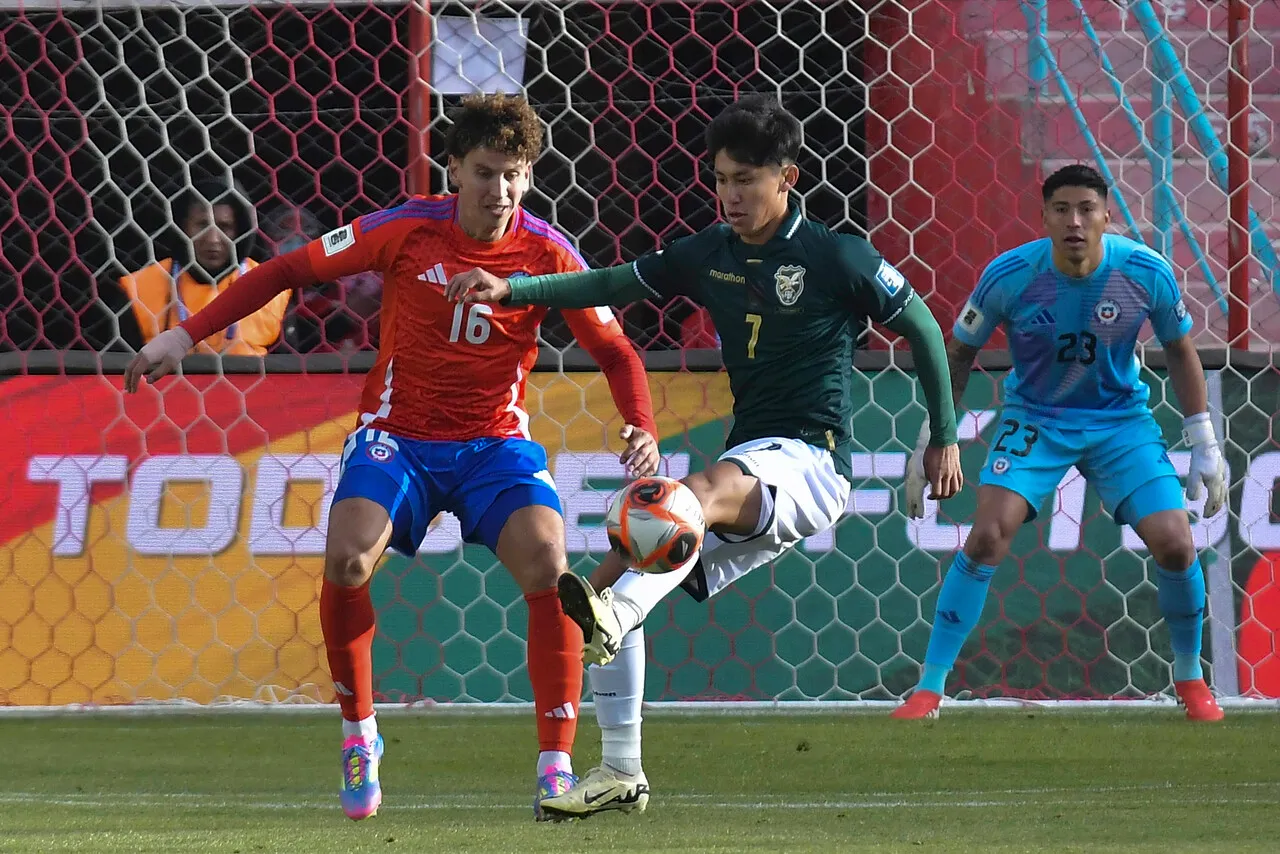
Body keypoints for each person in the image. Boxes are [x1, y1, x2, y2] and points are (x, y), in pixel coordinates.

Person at [123, 94, 662, 821]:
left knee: (549, 564)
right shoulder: (406, 228)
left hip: (494, 444)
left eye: (512, 175)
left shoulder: (547, 252)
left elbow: (616, 350)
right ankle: (359, 735)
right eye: (483, 172)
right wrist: (184, 337)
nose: (498, 191)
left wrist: (641, 426)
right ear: (454, 170)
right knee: (346, 558)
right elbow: (286, 271)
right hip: (397, 437)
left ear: (529, 178)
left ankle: (555, 766)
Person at [446, 95, 964, 818]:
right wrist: (519, 289)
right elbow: (611, 283)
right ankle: (620, 768)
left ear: (787, 177)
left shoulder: (836, 255)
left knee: (684, 494)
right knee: (615, 568)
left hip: (813, 463)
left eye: (746, 179)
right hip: (754, 454)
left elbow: (926, 331)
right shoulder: (708, 252)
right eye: (720, 178)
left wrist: (942, 434)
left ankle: (618, 617)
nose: (730, 194)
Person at [892, 164, 1227, 722]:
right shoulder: (1011, 275)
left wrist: (1205, 443)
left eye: (1086, 210)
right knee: (985, 537)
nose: (1074, 221)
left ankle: (1191, 679)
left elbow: (1181, 350)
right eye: (1062, 210)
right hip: (1037, 419)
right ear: (1044, 216)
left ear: (1105, 216)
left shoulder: (1145, 272)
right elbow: (959, 353)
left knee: (1175, 542)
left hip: (1120, 421)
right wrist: (934, 436)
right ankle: (929, 688)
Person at [116, 180, 291, 355]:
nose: (213, 239)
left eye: (225, 227)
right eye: (202, 225)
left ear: (240, 231)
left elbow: (294, 375)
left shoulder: (271, 289)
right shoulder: (140, 290)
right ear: (182, 228)